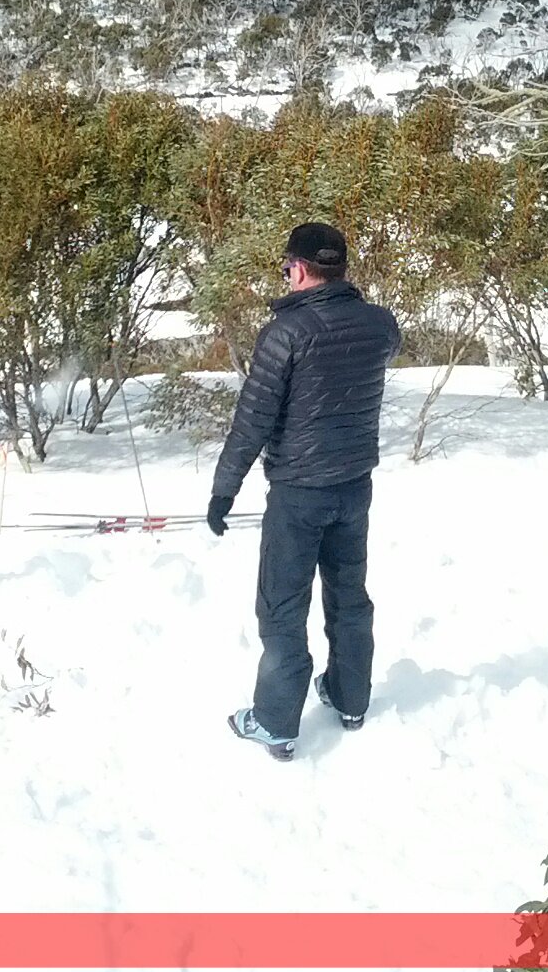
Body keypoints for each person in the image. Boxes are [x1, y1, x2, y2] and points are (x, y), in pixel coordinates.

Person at [208, 221, 402, 761]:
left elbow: (252, 420)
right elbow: (381, 345)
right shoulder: (378, 325)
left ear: (296, 268)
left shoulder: (286, 334)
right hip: (353, 487)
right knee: (348, 596)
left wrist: (224, 491)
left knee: (281, 607)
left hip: (298, 493)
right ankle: (350, 697)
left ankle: (275, 721)